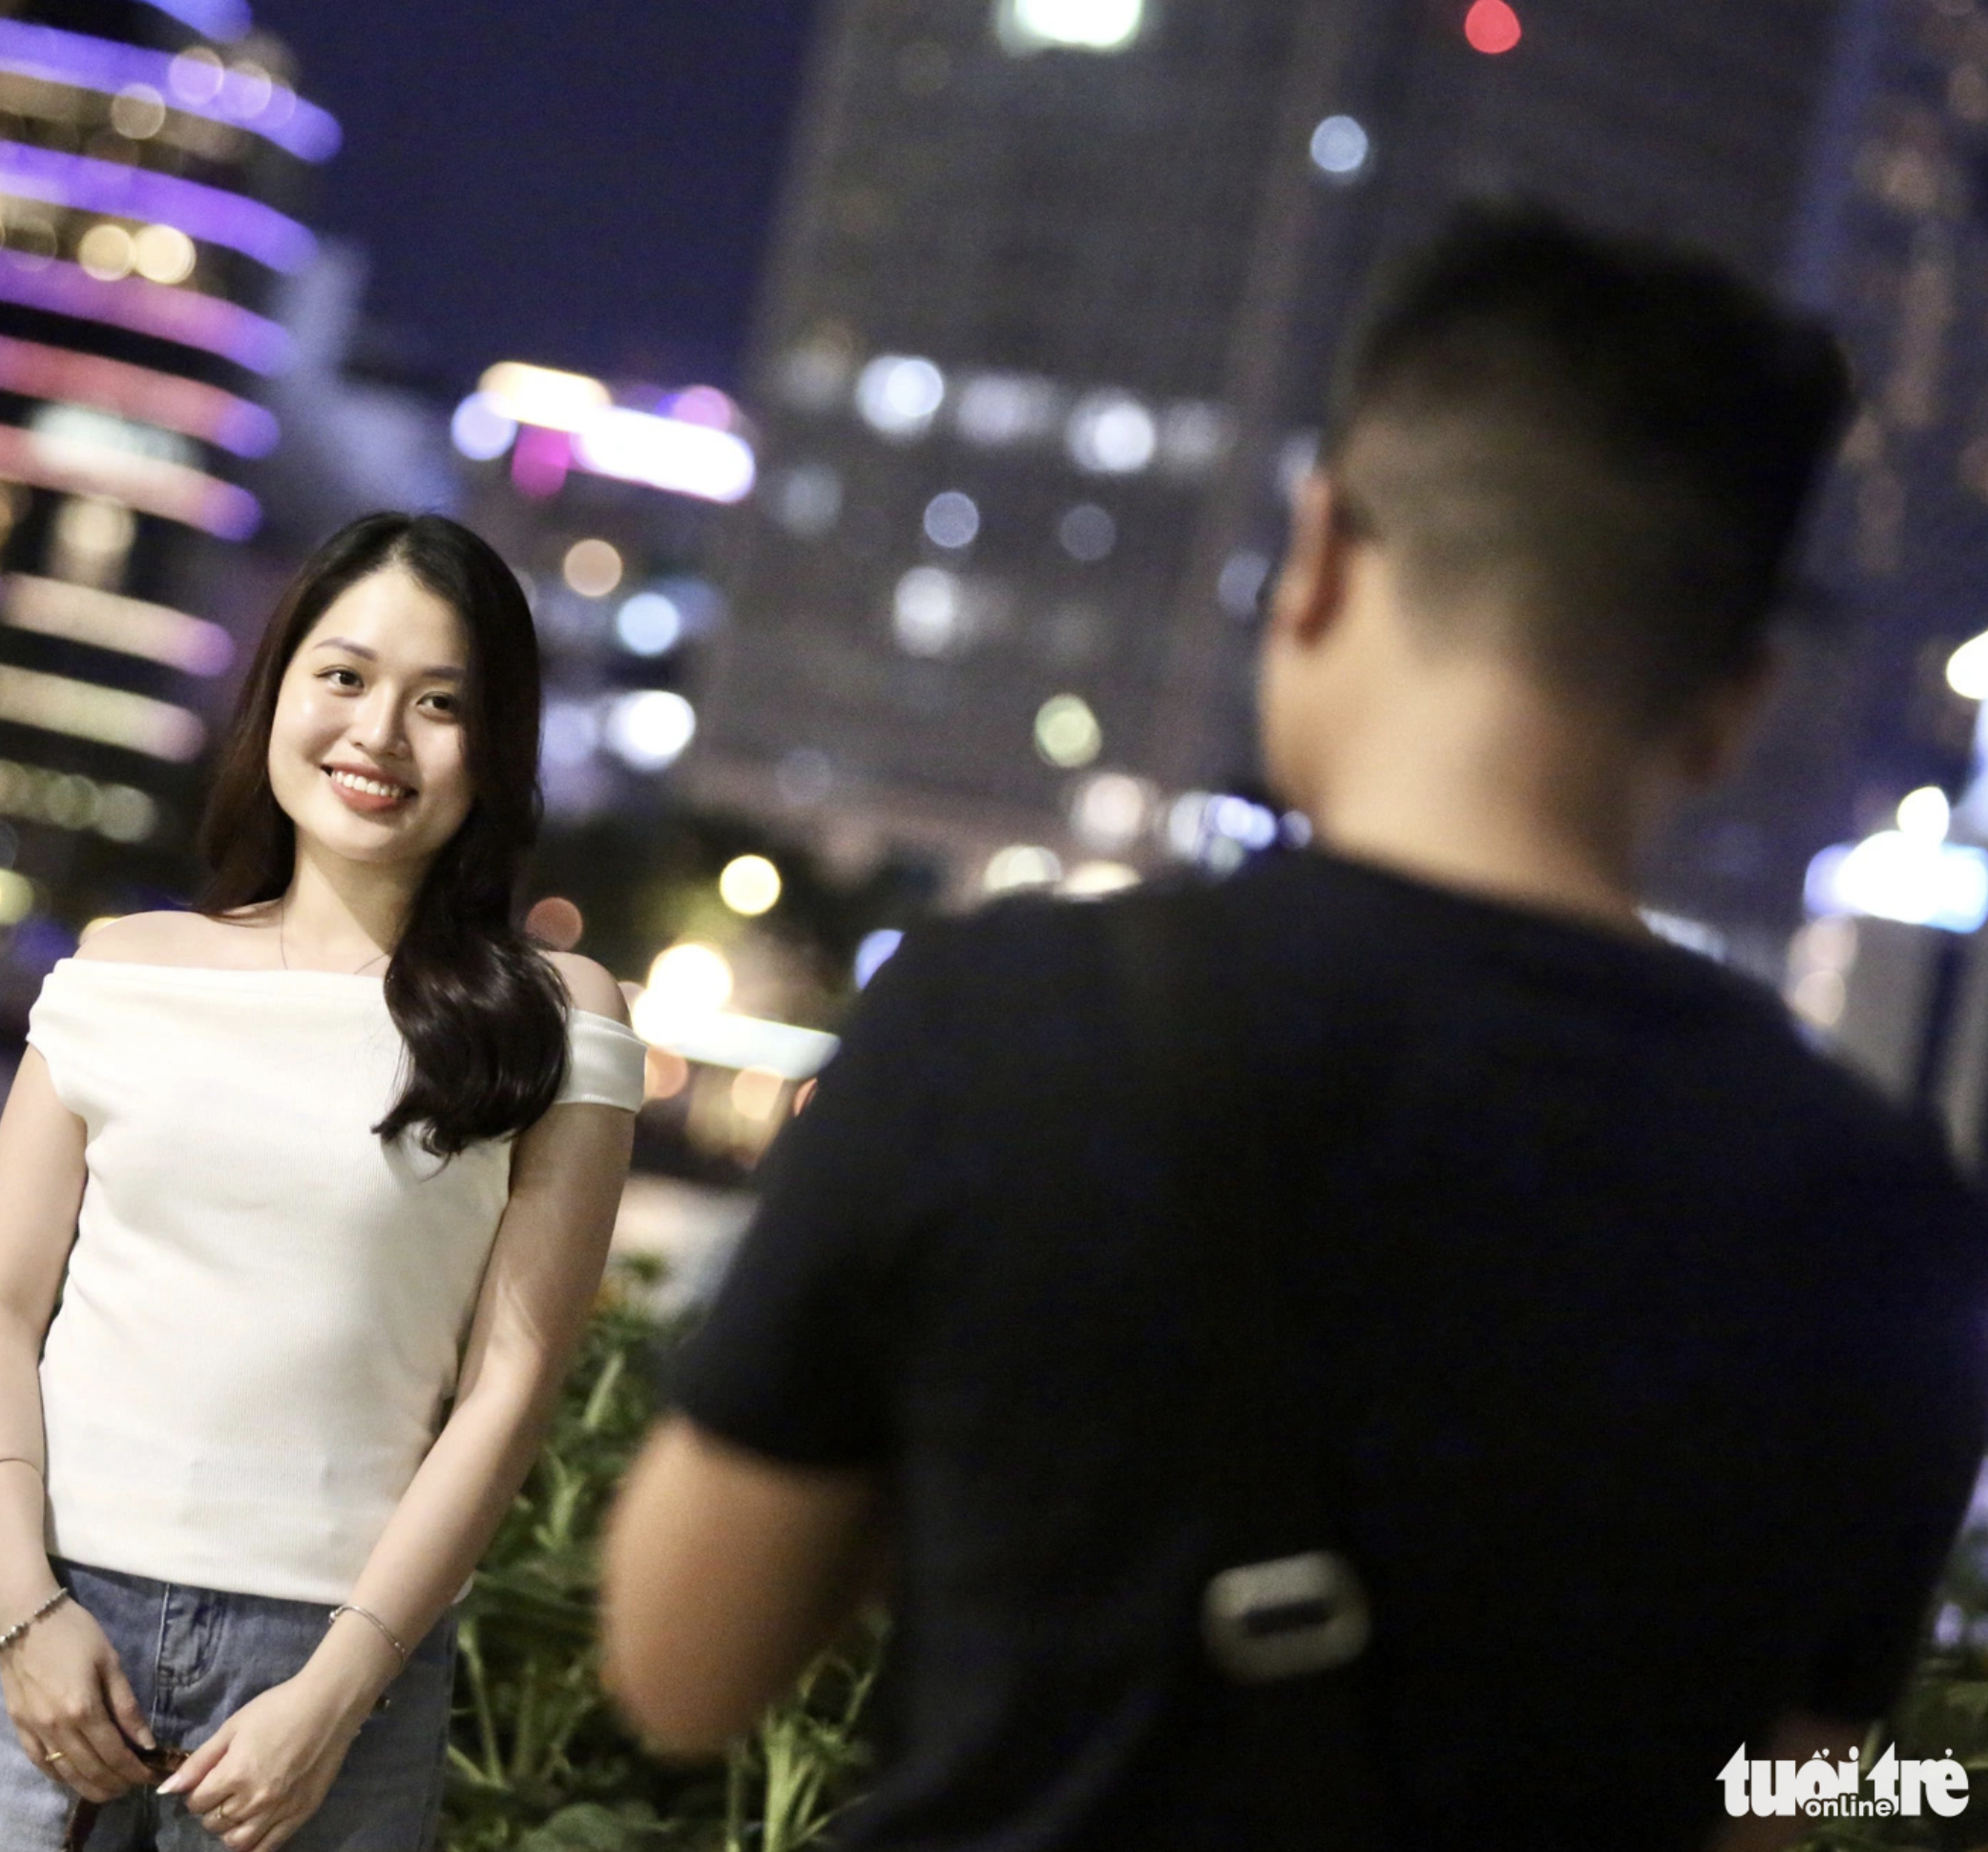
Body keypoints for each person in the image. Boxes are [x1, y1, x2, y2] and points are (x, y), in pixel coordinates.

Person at [598, 204, 1988, 1852]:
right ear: (1730, 705)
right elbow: (1772, 1806)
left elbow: (677, 1666)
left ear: (1319, 556)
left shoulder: (1008, 1024)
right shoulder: (1883, 1224)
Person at [0, 512, 644, 1852]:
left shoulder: (551, 1015)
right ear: (278, 687)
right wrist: (22, 1606)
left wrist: (344, 1687)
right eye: (344, 677)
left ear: (497, 744)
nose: (378, 735)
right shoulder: (126, 968)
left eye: (441, 702)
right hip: (36, 1617)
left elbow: (510, 1387)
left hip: (333, 1662)